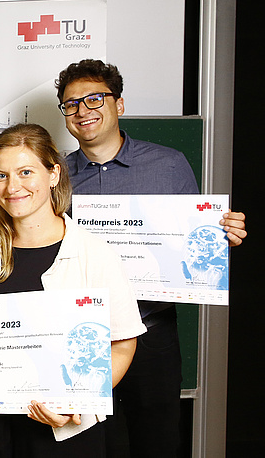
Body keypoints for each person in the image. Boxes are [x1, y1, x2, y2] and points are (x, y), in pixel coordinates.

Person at [55, 59, 247, 458]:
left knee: (155, 442)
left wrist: (221, 238)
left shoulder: (169, 164)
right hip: (80, 336)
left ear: (119, 104)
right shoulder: (54, 175)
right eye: (71, 105)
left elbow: (193, 245)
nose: (83, 111)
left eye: (94, 99)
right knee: (86, 444)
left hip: (152, 332)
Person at [0, 123, 146, 456]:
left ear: (53, 174)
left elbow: (123, 342)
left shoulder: (94, 252)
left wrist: (76, 400)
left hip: (62, 433)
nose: (13, 187)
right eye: (1, 175)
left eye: (26, 172)